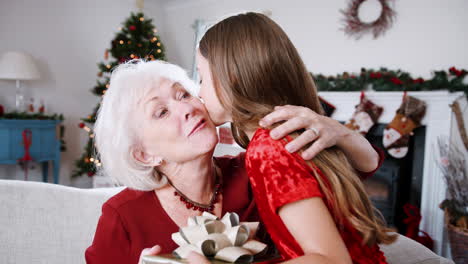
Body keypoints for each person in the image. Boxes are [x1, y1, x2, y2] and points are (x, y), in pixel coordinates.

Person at [85, 60, 384, 264]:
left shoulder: (257, 169)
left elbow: (359, 167)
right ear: (145, 155)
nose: (187, 108)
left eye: (184, 94)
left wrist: (337, 131)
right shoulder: (122, 217)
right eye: (161, 112)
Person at [196, 12, 396, 264]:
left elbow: (331, 260)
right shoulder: (286, 135)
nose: (199, 91)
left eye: (202, 77)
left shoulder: (269, 148)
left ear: (232, 76)